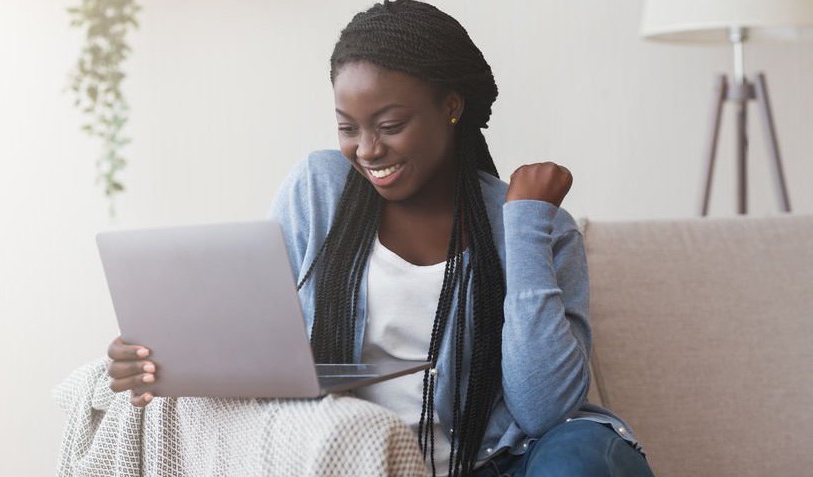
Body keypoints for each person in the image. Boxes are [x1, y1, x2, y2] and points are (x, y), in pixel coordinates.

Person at [105, 1, 656, 476]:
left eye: (389, 125)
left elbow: (544, 409)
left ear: (451, 106)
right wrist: (159, 357)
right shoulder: (320, 188)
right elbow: (252, 332)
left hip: (497, 462)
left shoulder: (532, 224)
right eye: (349, 127)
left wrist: (528, 224)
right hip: (356, 456)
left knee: (580, 455)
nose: (367, 149)